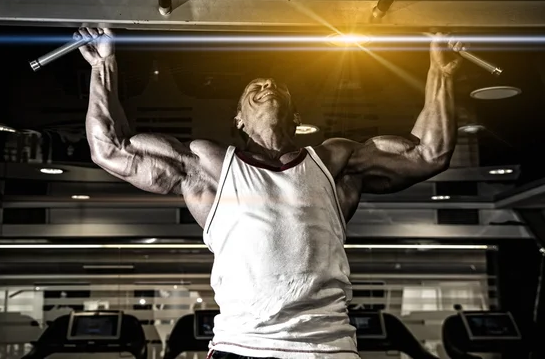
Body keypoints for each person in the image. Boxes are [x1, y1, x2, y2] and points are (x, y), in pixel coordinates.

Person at [77, 27, 462, 359]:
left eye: (277, 86)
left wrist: (441, 72)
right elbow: (110, 149)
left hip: (326, 347)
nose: (266, 86)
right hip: (242, 346)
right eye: (254, 88)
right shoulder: (209, 168)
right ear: (238, 120)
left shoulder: (333, 161)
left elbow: (430, 154)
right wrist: (103, 66)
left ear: (295, 116)